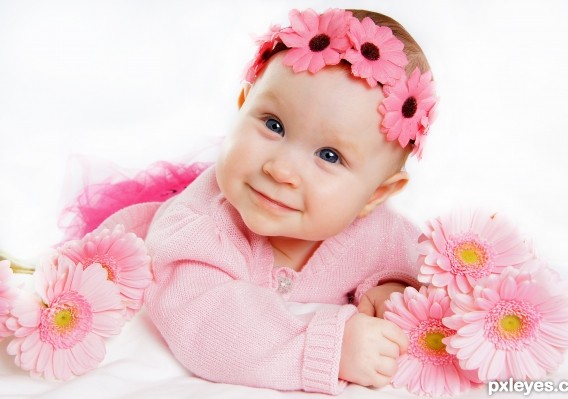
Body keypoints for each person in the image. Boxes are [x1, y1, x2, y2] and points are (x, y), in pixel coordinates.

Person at [98, 7, 437, 395]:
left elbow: (418, 271)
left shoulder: (378, 232)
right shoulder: (199, 229)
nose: (281, 170)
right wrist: (327, 350)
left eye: (329, 156)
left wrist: (391, 286)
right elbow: (206, 325)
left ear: (374, 196)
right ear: (243, 105)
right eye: (273, 125)